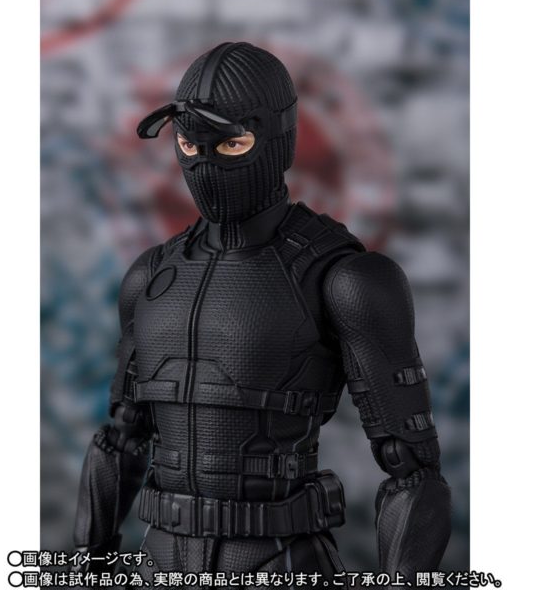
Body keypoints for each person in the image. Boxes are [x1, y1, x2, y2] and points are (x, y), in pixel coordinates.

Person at [73, 41, 451, 586]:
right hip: (158, 564)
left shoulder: (345, 278)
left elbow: (411, 470)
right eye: (188, 144)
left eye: (231, 143)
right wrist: (87, 568)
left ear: (279, 139)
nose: (204, 165)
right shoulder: (150, 276)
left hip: (280, 563)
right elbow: (121, 439)